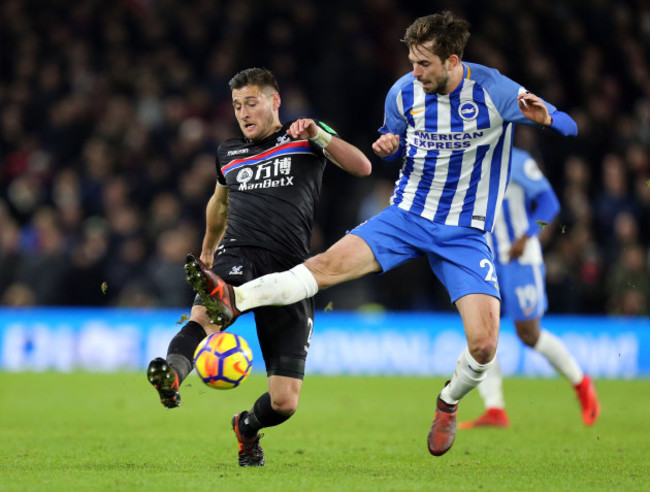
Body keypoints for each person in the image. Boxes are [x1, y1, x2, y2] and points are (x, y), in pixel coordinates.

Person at [187, 11, 578, 457]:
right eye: (411, 61)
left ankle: (447, 402)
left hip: (464, 233)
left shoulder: (495, 91)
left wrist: (548, 119)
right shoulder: (402, 93)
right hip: (407, 215)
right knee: (321, 268)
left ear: (452, 60)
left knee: (485, 345)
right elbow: (390, 142)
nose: (414, 72)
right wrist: (388, 145)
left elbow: (571, 124)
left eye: (424, 64)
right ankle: (234, 297)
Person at [146, 67, 372, 467]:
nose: (243, 113)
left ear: (274, 101)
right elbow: (218, 204)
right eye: (236, 106)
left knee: (284, 402)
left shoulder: (304, 136)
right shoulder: (228, 152)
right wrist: (208, 251)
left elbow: (362, 167)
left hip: (292, 272)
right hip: (239, 255)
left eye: (251, 102)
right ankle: (172, 378)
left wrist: (318, 135)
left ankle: (246, 427)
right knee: (206, 313)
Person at [459, 147, 600, 429]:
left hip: (520, 259)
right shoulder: (469, 161)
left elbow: (549, 204)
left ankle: (581, 383)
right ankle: (495, 410)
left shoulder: (518, 161)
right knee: (483, 332)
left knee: (529, 334)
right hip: (487, 258)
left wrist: (528, 235)